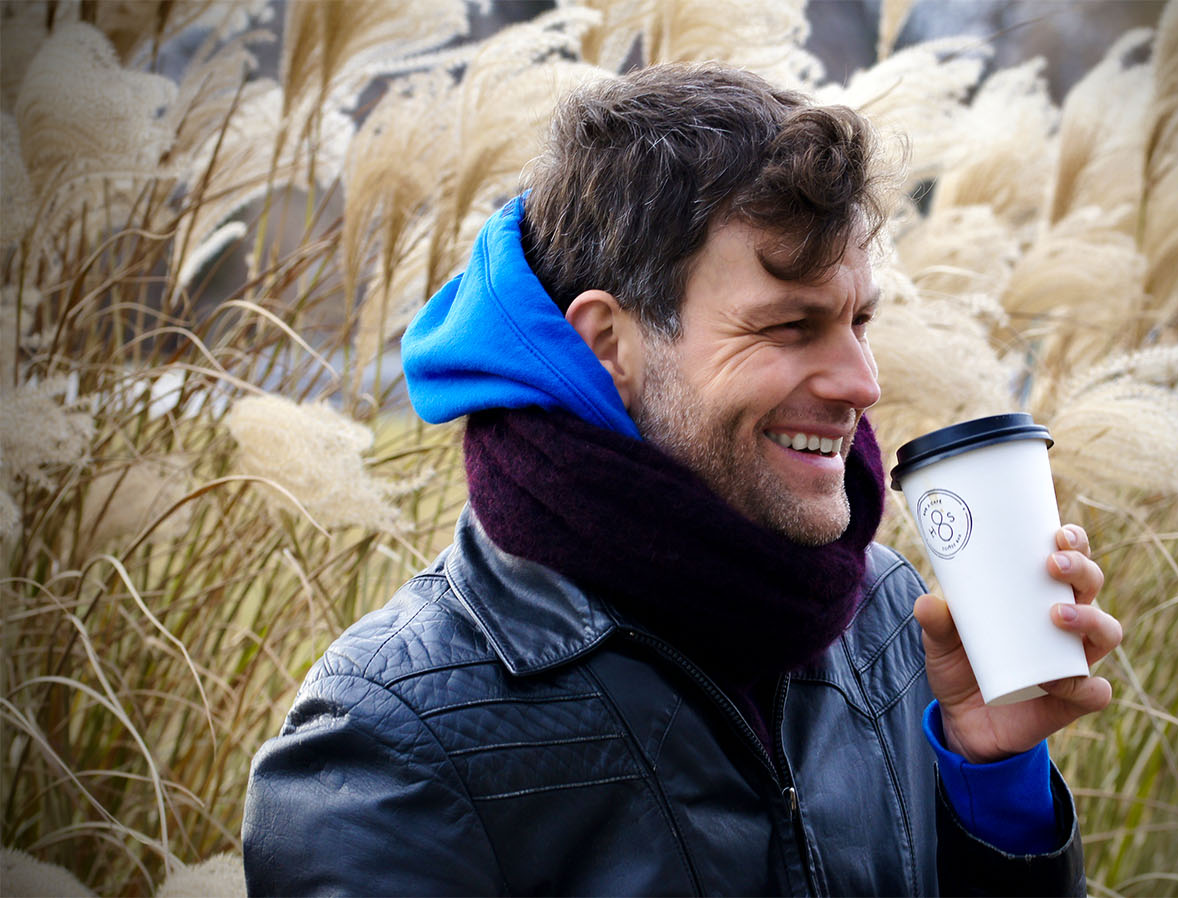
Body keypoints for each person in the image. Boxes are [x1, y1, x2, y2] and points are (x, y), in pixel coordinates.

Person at [242, 62, 1123, 896]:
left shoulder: (893, 618)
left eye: (858, 320)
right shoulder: (389, 744)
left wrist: (995, 781)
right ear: (608, 342)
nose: (863, 383)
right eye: (789, 326)